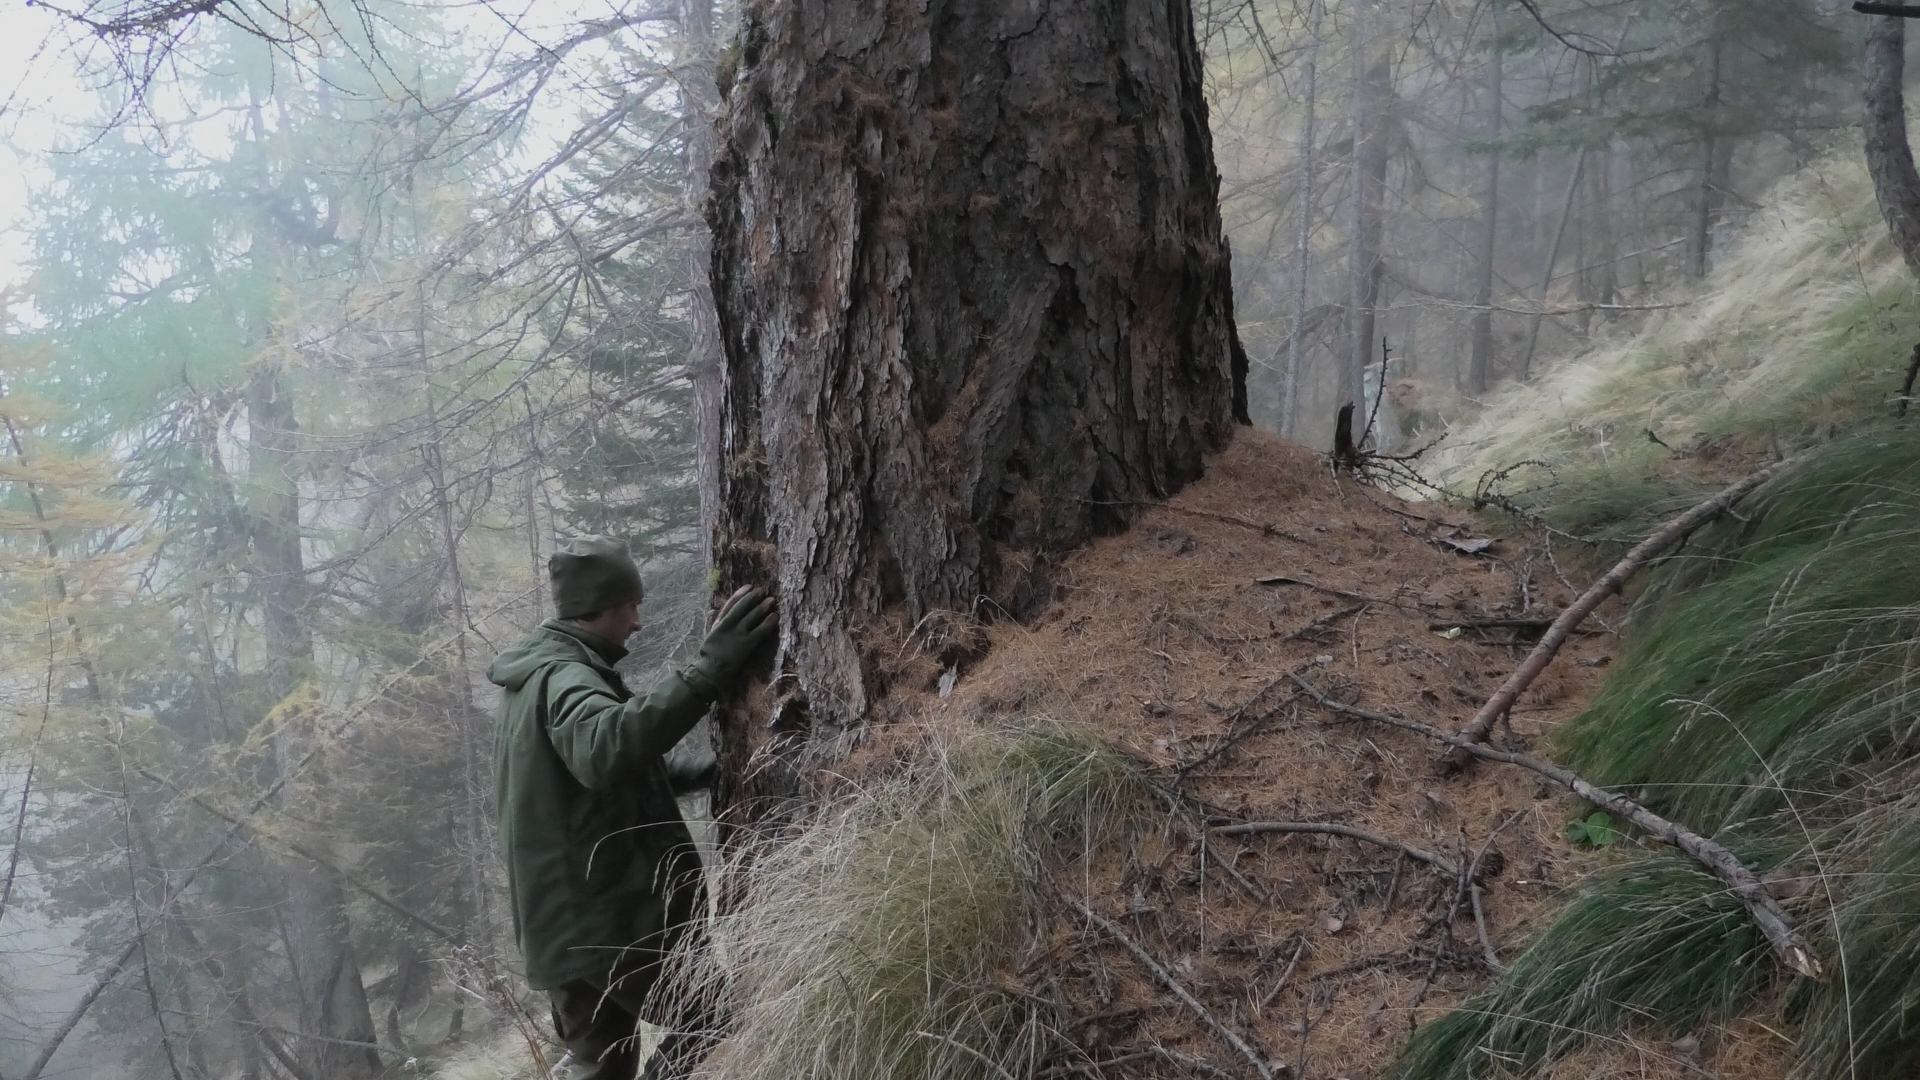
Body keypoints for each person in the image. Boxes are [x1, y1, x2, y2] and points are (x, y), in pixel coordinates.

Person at [488, 536, 777, 1080]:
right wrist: (707, 672)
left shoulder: (531, 679)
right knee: (710, 1019)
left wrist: (698, 773)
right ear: (601, 608)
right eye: (631, 606)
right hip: (605, 926)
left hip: (561, 931)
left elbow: (574, 782)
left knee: (598, 1065)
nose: (639, 623)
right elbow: (603, 751)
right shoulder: (565, 676)